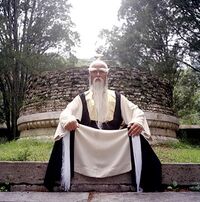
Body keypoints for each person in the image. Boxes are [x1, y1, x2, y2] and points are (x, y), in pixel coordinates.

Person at [44, 59, 162, 192]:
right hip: (86, 146)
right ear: (90, 75)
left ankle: (147, 183)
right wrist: (69, 120)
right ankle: (57, 180)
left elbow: (136, 111)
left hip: (114, 145)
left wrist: (137, 122)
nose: (98, 75)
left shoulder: (118, 97)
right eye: (95, 72)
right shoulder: (81, 98)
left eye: (102, 72)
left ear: (107, 75)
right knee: (65, 133)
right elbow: (66, 112)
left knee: (135, 133)